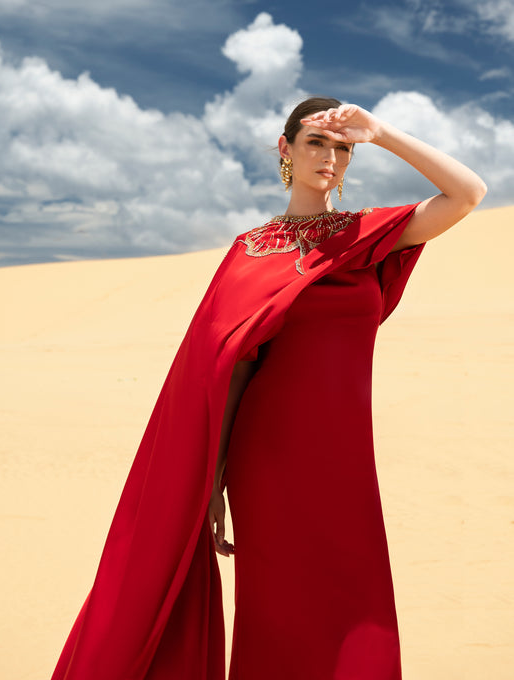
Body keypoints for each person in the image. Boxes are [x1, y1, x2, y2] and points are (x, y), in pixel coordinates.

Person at [51, 97, 486, 680]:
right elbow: (230, 372)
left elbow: (468, 193)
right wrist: (214, 477)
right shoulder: (248, 251)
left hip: (344, 458)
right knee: (275, 608)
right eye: (315, 142)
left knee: (355, 603)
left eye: (342, 148)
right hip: (267, 460)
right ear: (285, 149)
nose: (329, 157)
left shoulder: (369, 234)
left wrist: (381, 133)